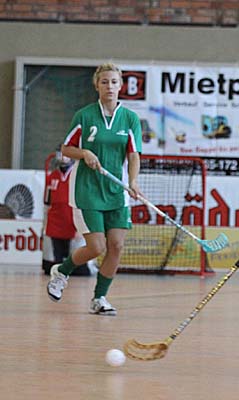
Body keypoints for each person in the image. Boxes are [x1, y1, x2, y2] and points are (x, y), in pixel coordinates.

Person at [46, 62, 142, 316]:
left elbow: (134, 155)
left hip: (116, 191)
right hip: (87, 190)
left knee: (116, 246)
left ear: (121, 86)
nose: (109, 86)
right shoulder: (84, 115)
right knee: (97, 247)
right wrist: (85, 153)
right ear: (96, 86)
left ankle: (99, 298)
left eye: (114, 82)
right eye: (104, 82)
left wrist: (133, 181)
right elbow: (66, 149)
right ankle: (62, 271)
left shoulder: (130, 119)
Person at [42, 149, 96, 276]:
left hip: (73, 222)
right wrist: (45, 224)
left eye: (65, 155)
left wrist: (82, 226)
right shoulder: (52, 177)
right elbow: (47, 203)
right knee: (53, 263)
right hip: (55, 222)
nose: (62, 157)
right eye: (60, 154)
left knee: (79, 267)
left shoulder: (78, 175)